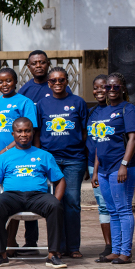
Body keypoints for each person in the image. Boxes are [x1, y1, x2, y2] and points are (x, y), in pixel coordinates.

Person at [0, 117, 67, 269]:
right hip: (12, 196)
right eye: (19, 131)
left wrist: (55, 200)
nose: (23, 134)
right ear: (13, 134)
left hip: (38, 195)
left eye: (27, 131)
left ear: (32, 132)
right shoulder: (2, 158)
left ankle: (53, 255)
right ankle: (1, 254)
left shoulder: (44, 155)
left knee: (55, 206)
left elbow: (60, 181)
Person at [0, 67, 39, 253]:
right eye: (0, 81)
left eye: (8, 80)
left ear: (15, 82)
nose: (4, 84)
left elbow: (31, 131)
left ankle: (10, 241)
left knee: (12, 198)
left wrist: (7, 149)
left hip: (16, 158)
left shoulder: (25, 102)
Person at [35, 67, 88, 258]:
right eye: (53, 81)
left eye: (61, 80)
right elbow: (38, 134)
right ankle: (57, 246)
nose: (57, 84)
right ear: (48, 83)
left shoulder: (78, 102)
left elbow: (84, 133)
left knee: (72, 202)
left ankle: (73, 247)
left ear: (67, 81)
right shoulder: (41, 104)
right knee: (54, 203)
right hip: (51, 160)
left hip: (74, 160)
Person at [90, 73, 135, 265]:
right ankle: (116, 250)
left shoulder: (129, 109)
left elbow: (133, 139)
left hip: (121, 167)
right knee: (112, 210)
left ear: (123, 89)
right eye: (108, 87)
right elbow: (98, 143)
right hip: (103, 169)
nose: (111, 90)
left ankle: (125, 252)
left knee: (123, 209)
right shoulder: (101, 112)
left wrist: (124, 165)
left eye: (115, 87)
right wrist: (95, 171)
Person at [87, 75, 113, 259]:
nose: (99, 91)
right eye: (96, 88)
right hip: (92, 165)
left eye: (103, 87)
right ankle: (109, 245)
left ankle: (121, 245)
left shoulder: (118, 110)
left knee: (117, 206)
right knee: (103, 206)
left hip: (114, 165)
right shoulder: (92, 112)